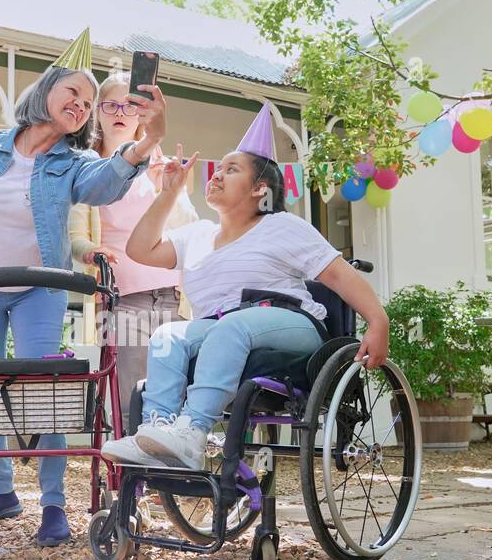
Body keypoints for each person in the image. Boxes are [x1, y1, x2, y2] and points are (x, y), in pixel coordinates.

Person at [0, 30, 168, 546]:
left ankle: (53, 505)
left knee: (45, 392)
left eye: (89, 102)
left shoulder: (72, 164)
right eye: (73, 93)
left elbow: (105, 182)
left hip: (41, 287)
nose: (81, 105)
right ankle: (1, 490)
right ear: (45, 91)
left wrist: (146, 142)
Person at [102, 110, 389, 472]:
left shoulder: (281, 226)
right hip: (220, 329)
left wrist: (378, 321)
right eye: (218, 168)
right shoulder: (197, 235)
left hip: (290, 323)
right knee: (167, 336)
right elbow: (139, 250)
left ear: (259, 189)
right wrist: (169, 193)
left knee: (230, 326)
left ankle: (192, 432)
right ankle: (157, 431)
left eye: (232, 169)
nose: (217, 174)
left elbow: (338, 275)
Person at [68, 72, 195, 429]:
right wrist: (91, 251)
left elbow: (188, 226)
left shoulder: (159, 162)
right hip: (121, 298)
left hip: (170, 295)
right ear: (97, 112)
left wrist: (168, 191)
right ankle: (128, 462)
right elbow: (75, 236)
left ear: (142, 114)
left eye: (129, 106)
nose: (119, 113)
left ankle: (167, 462)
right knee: (128, 396)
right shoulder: (86, 167)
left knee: (175, 392)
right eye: (110, 105)